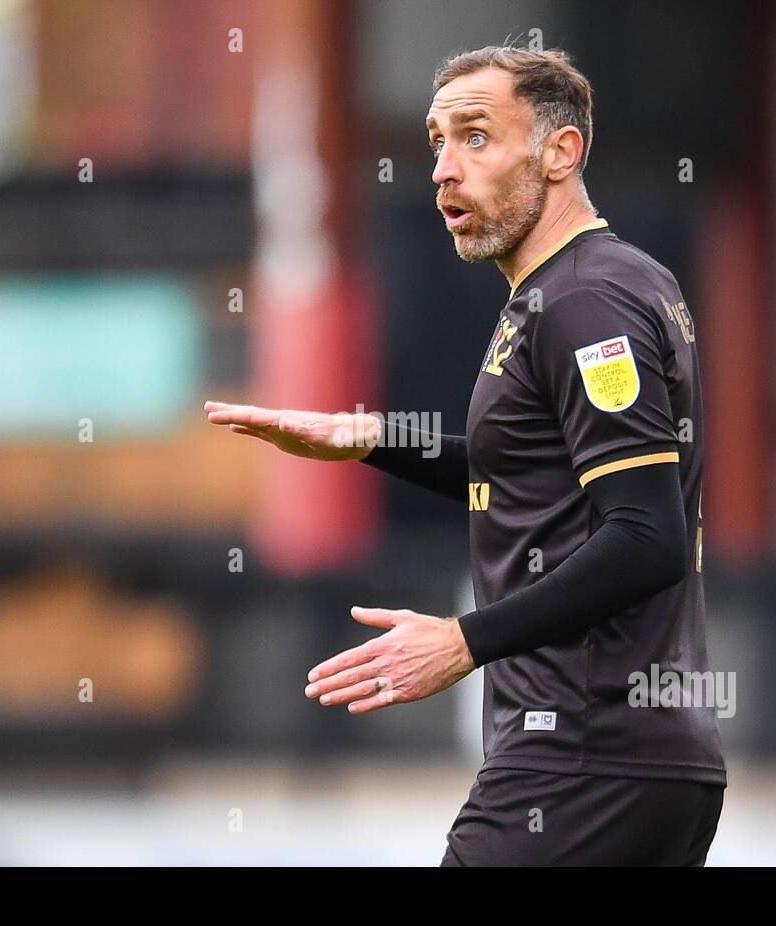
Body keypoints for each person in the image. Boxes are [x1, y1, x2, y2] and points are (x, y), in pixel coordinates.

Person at [205, 45, 726, 866]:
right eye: (437, 141)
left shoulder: (586, 299)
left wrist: (464, 641)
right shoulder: (585, 285)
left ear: (561, 153)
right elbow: (531, 473)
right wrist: (371, 440)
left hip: (580, 756)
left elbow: (644, 533)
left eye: (476, 136)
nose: (444, 169)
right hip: (628, 762)